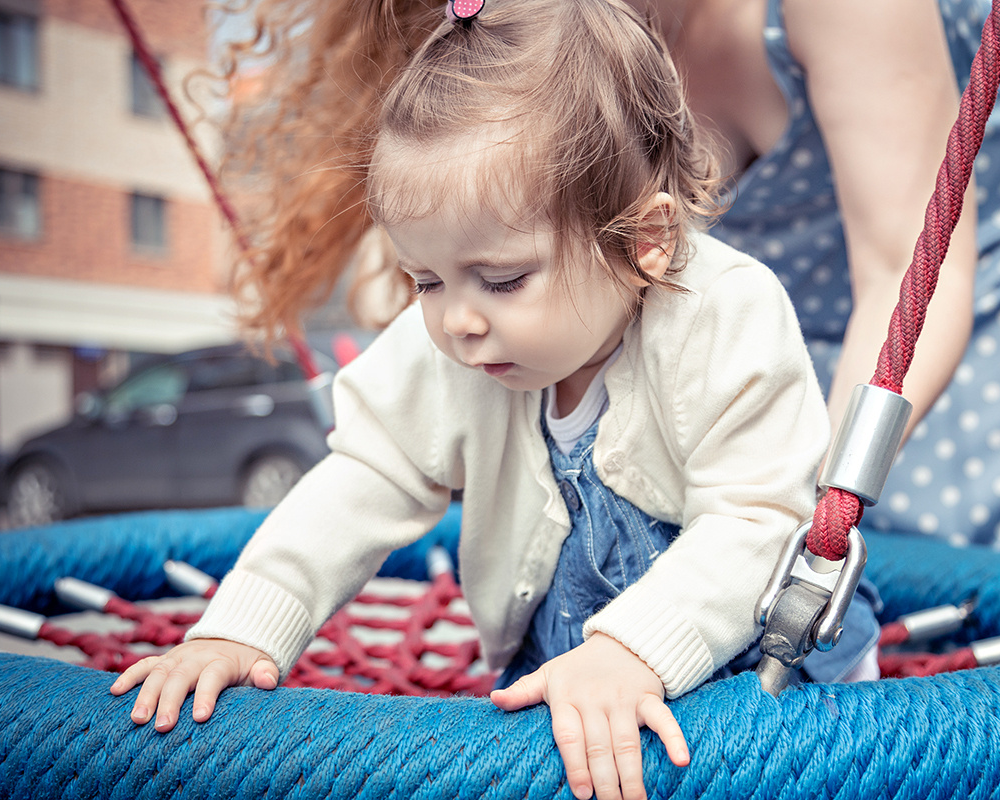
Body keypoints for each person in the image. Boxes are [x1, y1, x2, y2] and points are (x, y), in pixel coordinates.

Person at [112, 1, 848, 798]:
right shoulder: (456, 346)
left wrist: (630, 651)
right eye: (424, 279)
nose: (457, 319)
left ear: (645, 240)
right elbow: (359, 481)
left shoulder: (724, 315)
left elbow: (762, 521)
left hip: (769, 676)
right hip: (563, 679)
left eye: (502, 280)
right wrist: (238, 630)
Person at [216, 0, 1000, 552]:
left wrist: (810, 506)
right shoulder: (552, 31)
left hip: (944, 325)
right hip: (738, 344)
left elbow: (908, 270)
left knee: (895, 585)